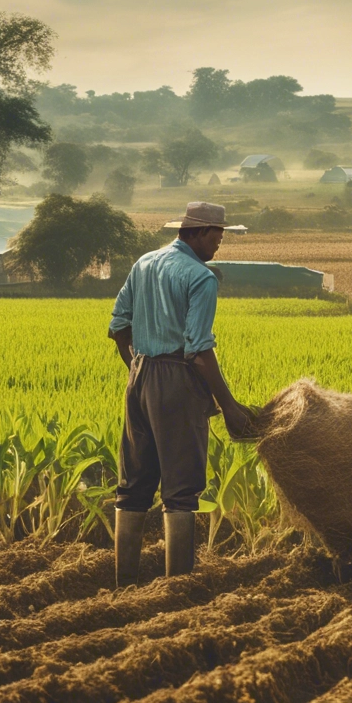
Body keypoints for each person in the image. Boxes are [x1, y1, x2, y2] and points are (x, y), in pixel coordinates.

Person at [108, 202, 256, 587]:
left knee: (134, 484)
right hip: (177, 378)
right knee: (181, 489)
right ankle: (176, 590)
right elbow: (199, 349)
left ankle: (125, 584)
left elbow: (118, 326)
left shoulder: (144, 263)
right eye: (217, 236)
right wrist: (229, 405)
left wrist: (139, 372)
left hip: (138, 376)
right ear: (197, 232)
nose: (219, 245)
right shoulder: (200, 277)